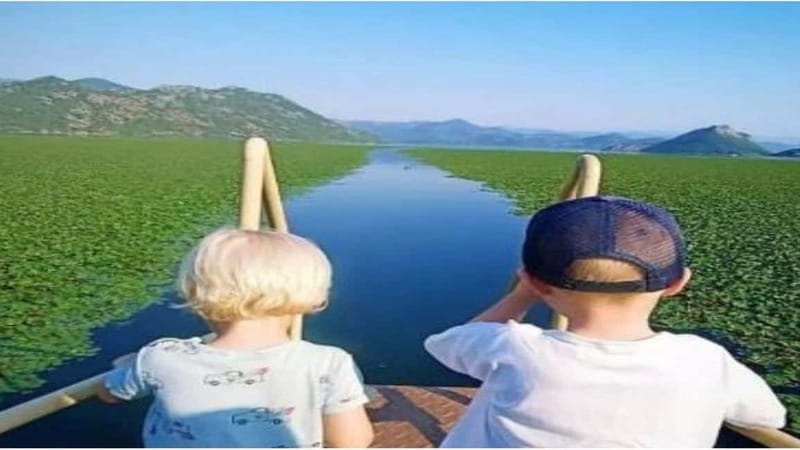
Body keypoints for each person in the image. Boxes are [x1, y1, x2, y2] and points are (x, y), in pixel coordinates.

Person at [425, 196, 785, 447]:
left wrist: (522, 296)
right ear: (677, 283)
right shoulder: (707, 360)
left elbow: (446, 344)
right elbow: (769, 416)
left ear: (534, 281)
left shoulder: (516, 348)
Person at [99, 227, 373, 448]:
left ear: (195, 291)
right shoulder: (328, 362)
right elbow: (351, 442)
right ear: (314, 294)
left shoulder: (160, 356)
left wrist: (128, 365)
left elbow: (111, 394)